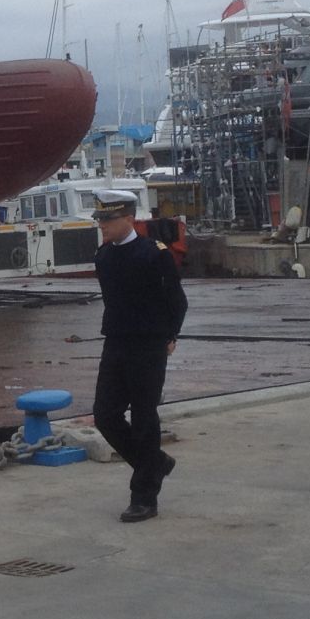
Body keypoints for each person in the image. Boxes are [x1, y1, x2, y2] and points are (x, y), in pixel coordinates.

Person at [92, 192, 188, 523]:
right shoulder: (103, 256)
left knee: (144, 417)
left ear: (129, 219)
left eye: (108, 219)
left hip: (148, 345)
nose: (102, 225)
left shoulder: (154, 255)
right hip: (116, 343)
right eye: (100, 220)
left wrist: (171, 335)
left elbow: (177, 301)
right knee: (105, 415)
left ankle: (144, 497)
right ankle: (155, 464)